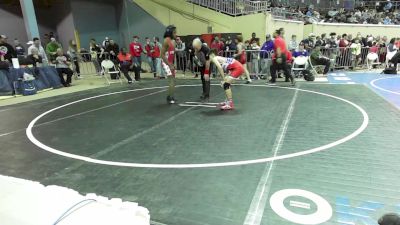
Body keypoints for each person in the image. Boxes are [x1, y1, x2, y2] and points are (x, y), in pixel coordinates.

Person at [161, 25, 178, 104]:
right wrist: (169, 64)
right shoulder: (166, 41)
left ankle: (170, 95)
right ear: (170, 33)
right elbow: (162, 55)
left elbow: (173, 54)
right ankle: (170, 97)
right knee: (171, 80)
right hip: (166, 63)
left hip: (170, 63)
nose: (176, 34)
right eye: (174, 32)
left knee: (173, 81)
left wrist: (174, 64)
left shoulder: (173, 41)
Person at [192, 38, 211, 102]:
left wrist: (206, 72)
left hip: (208, 64)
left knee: (206, 78)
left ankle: (207, 96)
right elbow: (194, 57)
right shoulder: (195, 48)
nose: (196, 49)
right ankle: (204, 92)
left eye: (197, 48)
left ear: (200, 45)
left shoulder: (206, 49)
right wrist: (197, 63)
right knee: (202, 79)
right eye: (195, 48)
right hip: (202, 63)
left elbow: (208, 62)